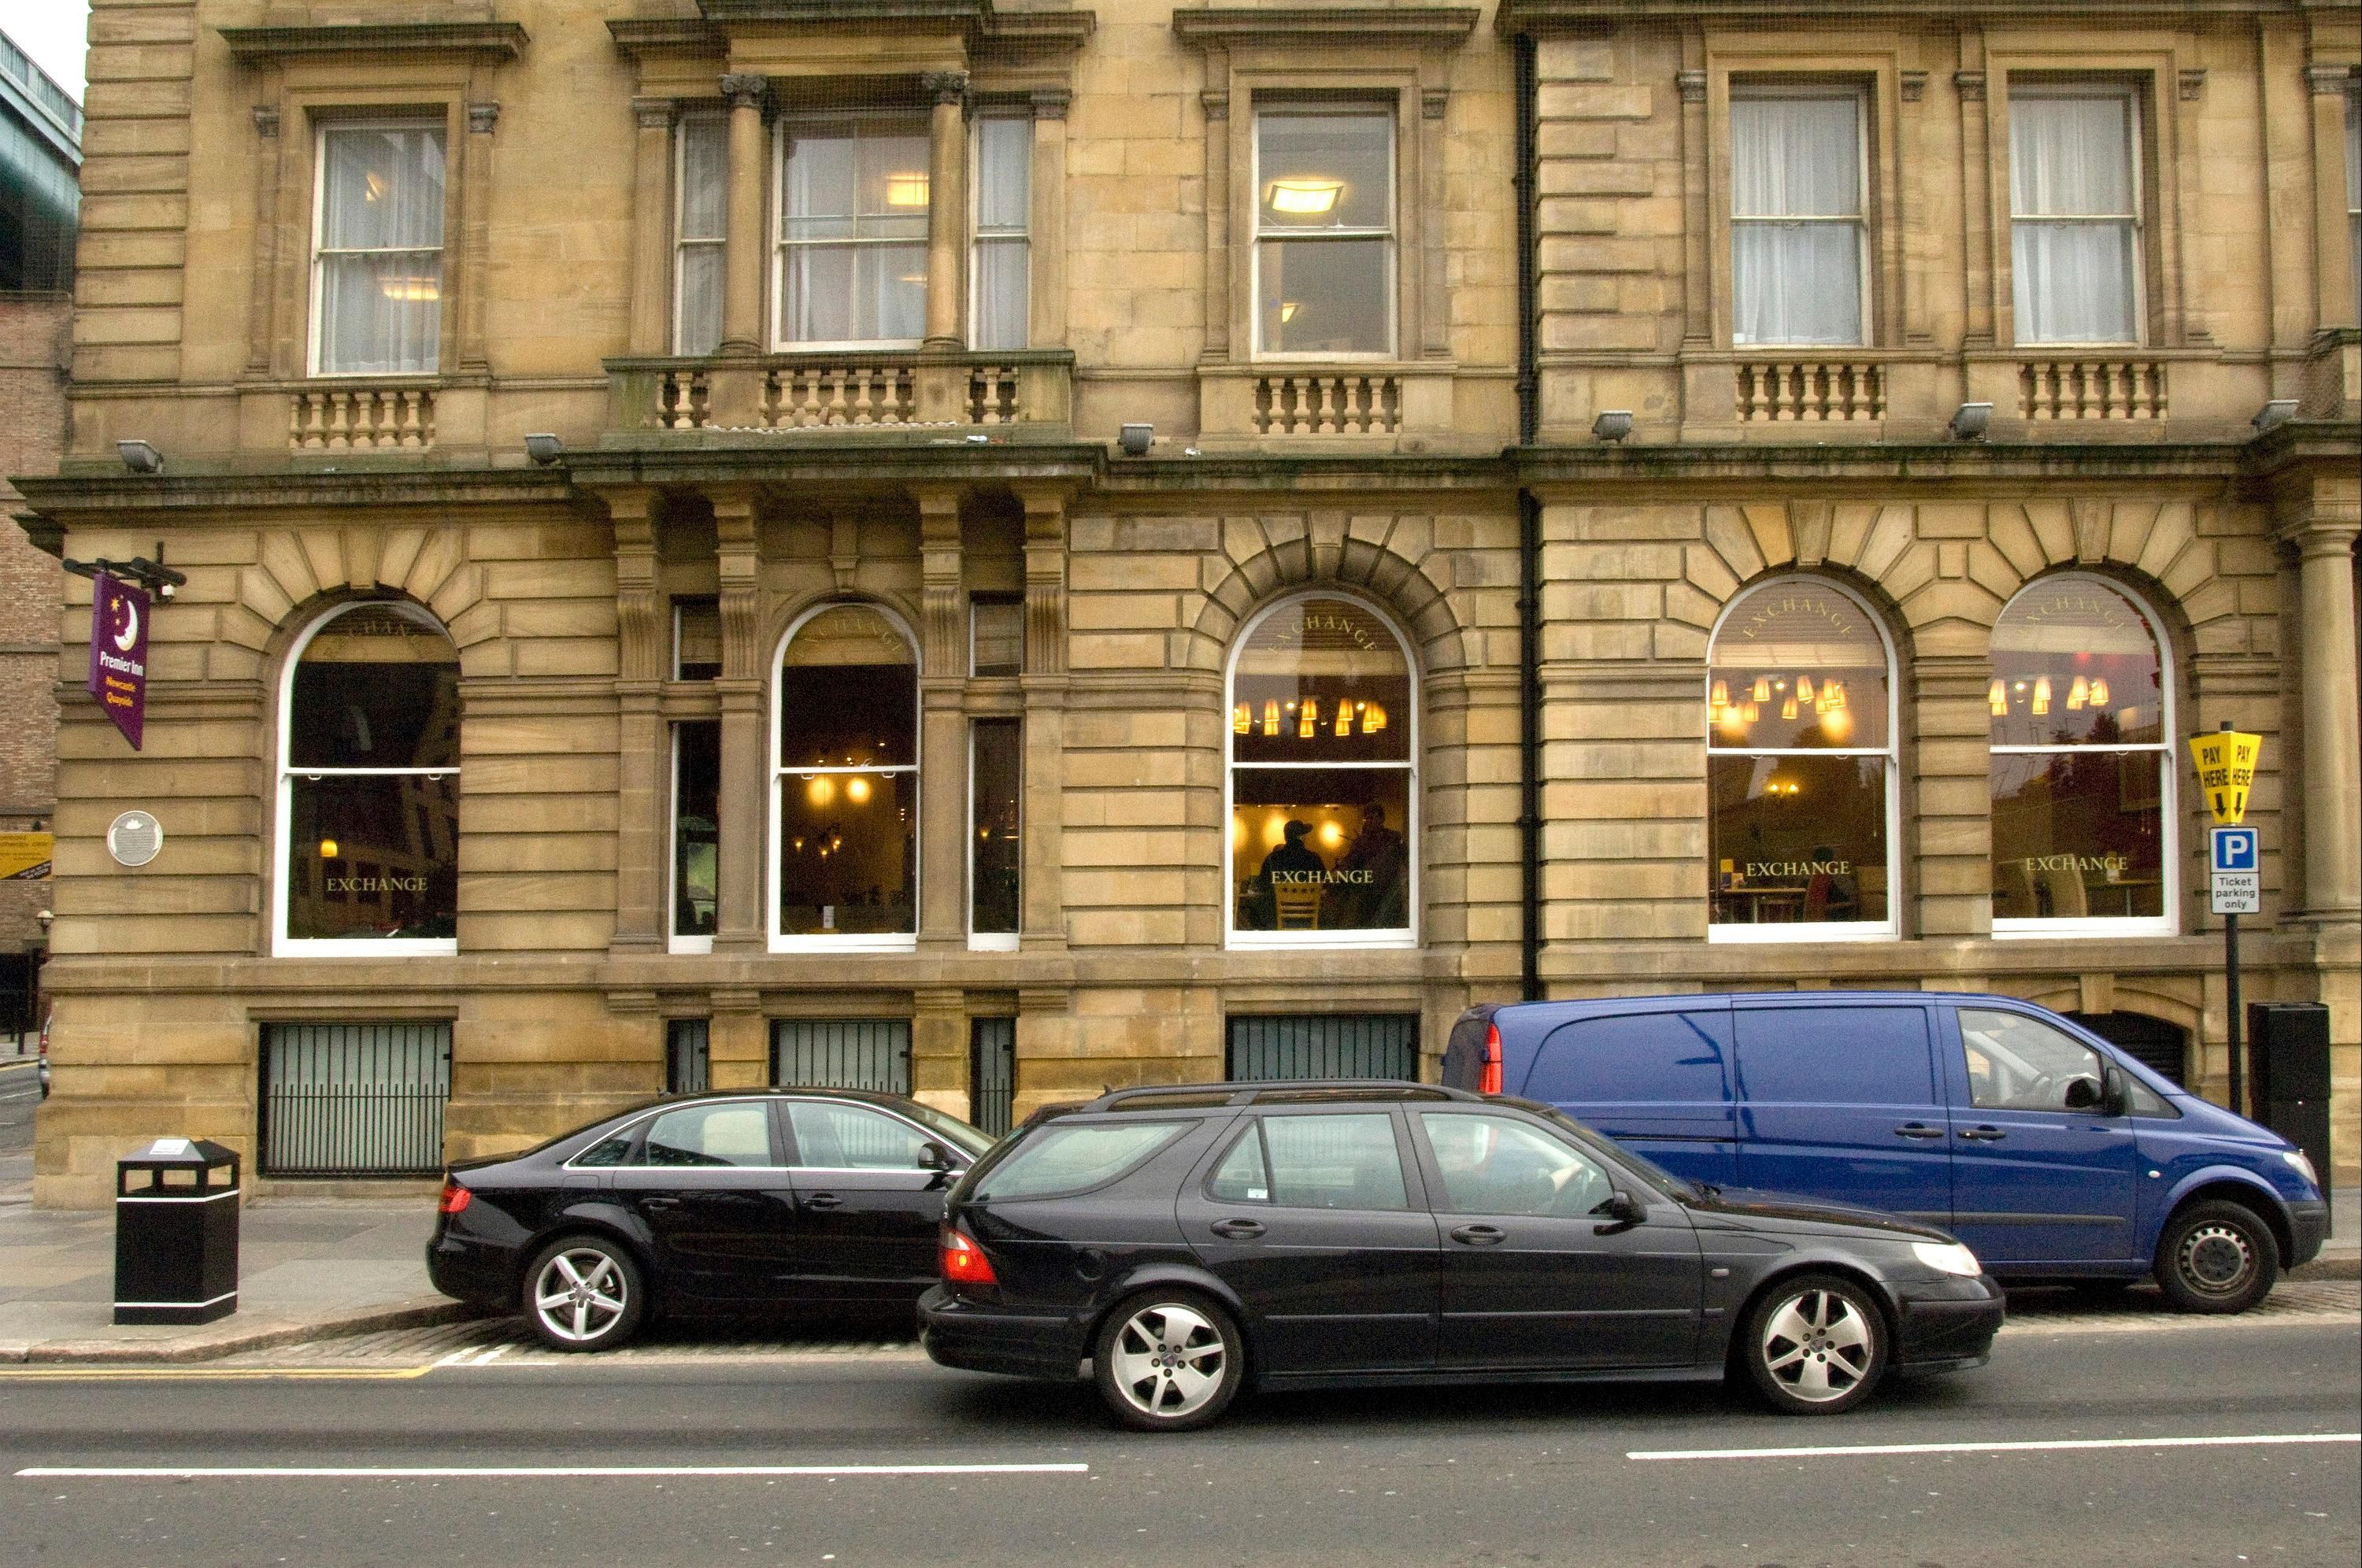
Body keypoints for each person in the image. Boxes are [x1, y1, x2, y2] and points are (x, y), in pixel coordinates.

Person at [1333, 803, 1408, 927]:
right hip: (1367, 891)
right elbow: (1351, 862)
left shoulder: (1393, 838)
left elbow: (1403, 860)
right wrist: (1339, 874)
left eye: (1373, 817)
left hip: (1387, 889)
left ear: (1381, 819)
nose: (1369, 821)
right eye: (1367, 818)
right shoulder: (1361, 842)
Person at [1242, 819, 1327, 929]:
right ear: (1302, 837)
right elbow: (1324, 885)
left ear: (1286, 838)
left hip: (1276, 919)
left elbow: (1262, 886)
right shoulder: (1314, 858)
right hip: (1307, 918)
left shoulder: (1272, 859)